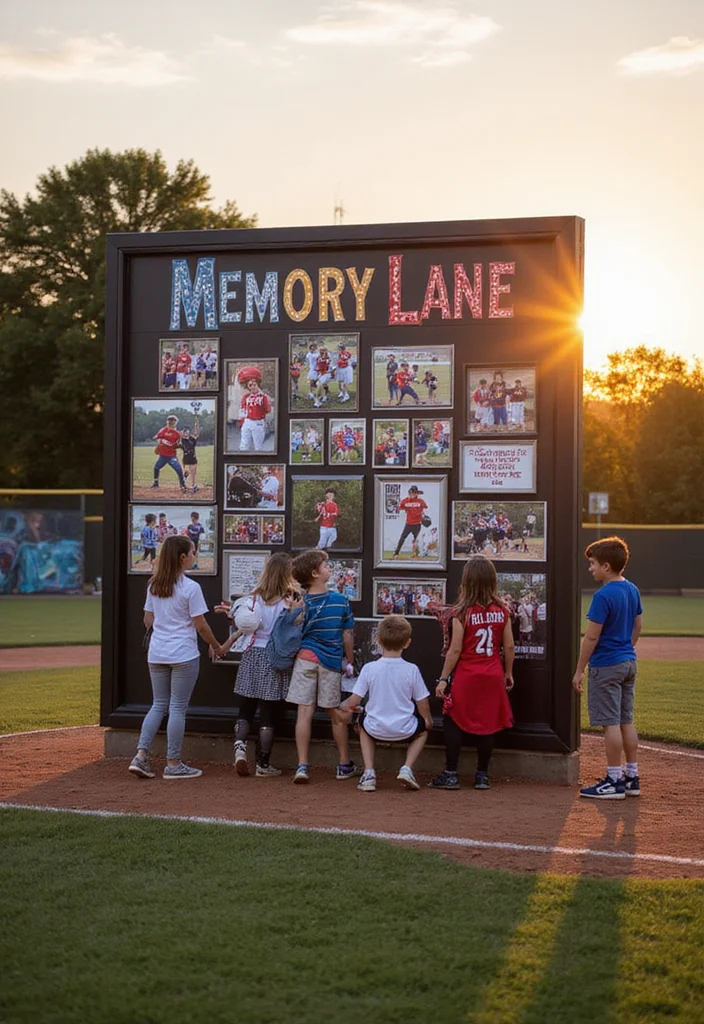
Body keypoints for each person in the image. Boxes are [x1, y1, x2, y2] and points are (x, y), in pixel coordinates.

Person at [128, 535, 225, 780]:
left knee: (158, 704)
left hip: (157, 652)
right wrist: (216, 646)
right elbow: (201, 626)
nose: (195, 555)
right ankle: (173, 763)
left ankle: (141, 755)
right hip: (183, 653)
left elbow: (147, 620)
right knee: (178, 708)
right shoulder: (191, 588)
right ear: (183, 557)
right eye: (193, 552)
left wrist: (164, 622)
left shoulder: (154, 585)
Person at [429, 556, 515, 790]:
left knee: (453, 719)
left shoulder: (462, 612)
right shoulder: (502, 610)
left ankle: (451, 772)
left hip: (468, 674)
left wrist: (444, 679)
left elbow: (455, 649)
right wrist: (508, 672)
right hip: (492, 673)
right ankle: (482, 775)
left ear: (467, 580)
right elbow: (508, 647)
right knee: (488, 723)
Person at [214, 553, 298, 777]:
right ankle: (263, 763)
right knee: (268, 714)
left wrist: (225, 643)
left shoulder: (254, 598)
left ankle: (240, 749)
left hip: (252, 655)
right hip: (275, 657)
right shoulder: (291, 599)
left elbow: (244, 626)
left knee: (246, 708)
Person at [572, 536, 642, 800]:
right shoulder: (632, 589)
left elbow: (591, 637)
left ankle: (614, 780)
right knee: (626, 720)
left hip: (606, 665)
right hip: (628, 662)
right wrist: (627, 649)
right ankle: (632, 777)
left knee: (609, 723)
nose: (590, 568)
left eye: (593, 564)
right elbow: (638, 626)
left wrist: (580, 670)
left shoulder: (603, 595)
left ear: (607, 567)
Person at [286, 549, 360, 784]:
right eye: (326, 566)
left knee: (304, 713)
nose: (330, 569)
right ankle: (344, 764)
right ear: (315, 573)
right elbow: (347, 635)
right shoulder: (340, 600)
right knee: (335, 714)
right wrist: (350, 660)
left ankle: (302, 766)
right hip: (330, 661)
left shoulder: (300, 602)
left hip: (305, 658)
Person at [337, 615, 432, 791]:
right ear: (407, 643)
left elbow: (355, 700)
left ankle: (369, 772)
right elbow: (422, 702)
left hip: (375, 728)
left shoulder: (369, 668)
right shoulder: (412, 670)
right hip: (406, 729)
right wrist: (427, 720)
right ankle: (407, 768)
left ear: (378, 641)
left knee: (361, 724)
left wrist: (341, 707)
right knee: (423, 732)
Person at [237, 365, 272, 452]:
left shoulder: (263, 397)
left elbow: (268, 410)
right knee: (244, 444)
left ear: (258, 384)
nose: (253, 387)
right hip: (247, 421)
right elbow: (243, 410)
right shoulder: (245, 397)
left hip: (258, 422)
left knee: (258, 445)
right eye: (250, 385)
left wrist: (266, 402)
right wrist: (242, 421)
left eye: (254, 384)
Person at [151, 415, 187, 491]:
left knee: (178, 469)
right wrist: (160, 440)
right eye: (169, 420)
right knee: (156, 468)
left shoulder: (177, 433)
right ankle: (155, 483)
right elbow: (155, 437)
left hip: (171, 455)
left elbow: (178, 444)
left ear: (175, 422)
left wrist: (179, 446)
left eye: (172, 420)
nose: (170, 421)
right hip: (163, 455)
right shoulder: (163, 430)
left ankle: (182, 484)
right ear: (167, 421)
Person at [392, 485, 428, 560]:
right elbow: (400, 507)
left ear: (416, 493)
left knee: (416, 540)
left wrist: (424, 516)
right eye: (410, 493)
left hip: (417, 524)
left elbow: (426, 509)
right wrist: (395, 504)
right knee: (402, 538)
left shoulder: (420, 501)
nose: (411, 495)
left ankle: (416, 554)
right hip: (409, 524)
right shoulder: (405, 501)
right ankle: (396, 553)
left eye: (413, 493)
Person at [178, 416, 199, 493]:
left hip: (193, 458)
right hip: (186, 459)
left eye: (186, 432)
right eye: (184, 432)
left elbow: (196, 435)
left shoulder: (191, 439)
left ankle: (193, 485)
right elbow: (178, 443)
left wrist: (196, 425)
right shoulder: (182, 441)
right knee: (186, 473)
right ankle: (183, 485)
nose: (185, 433)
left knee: (193, 473)